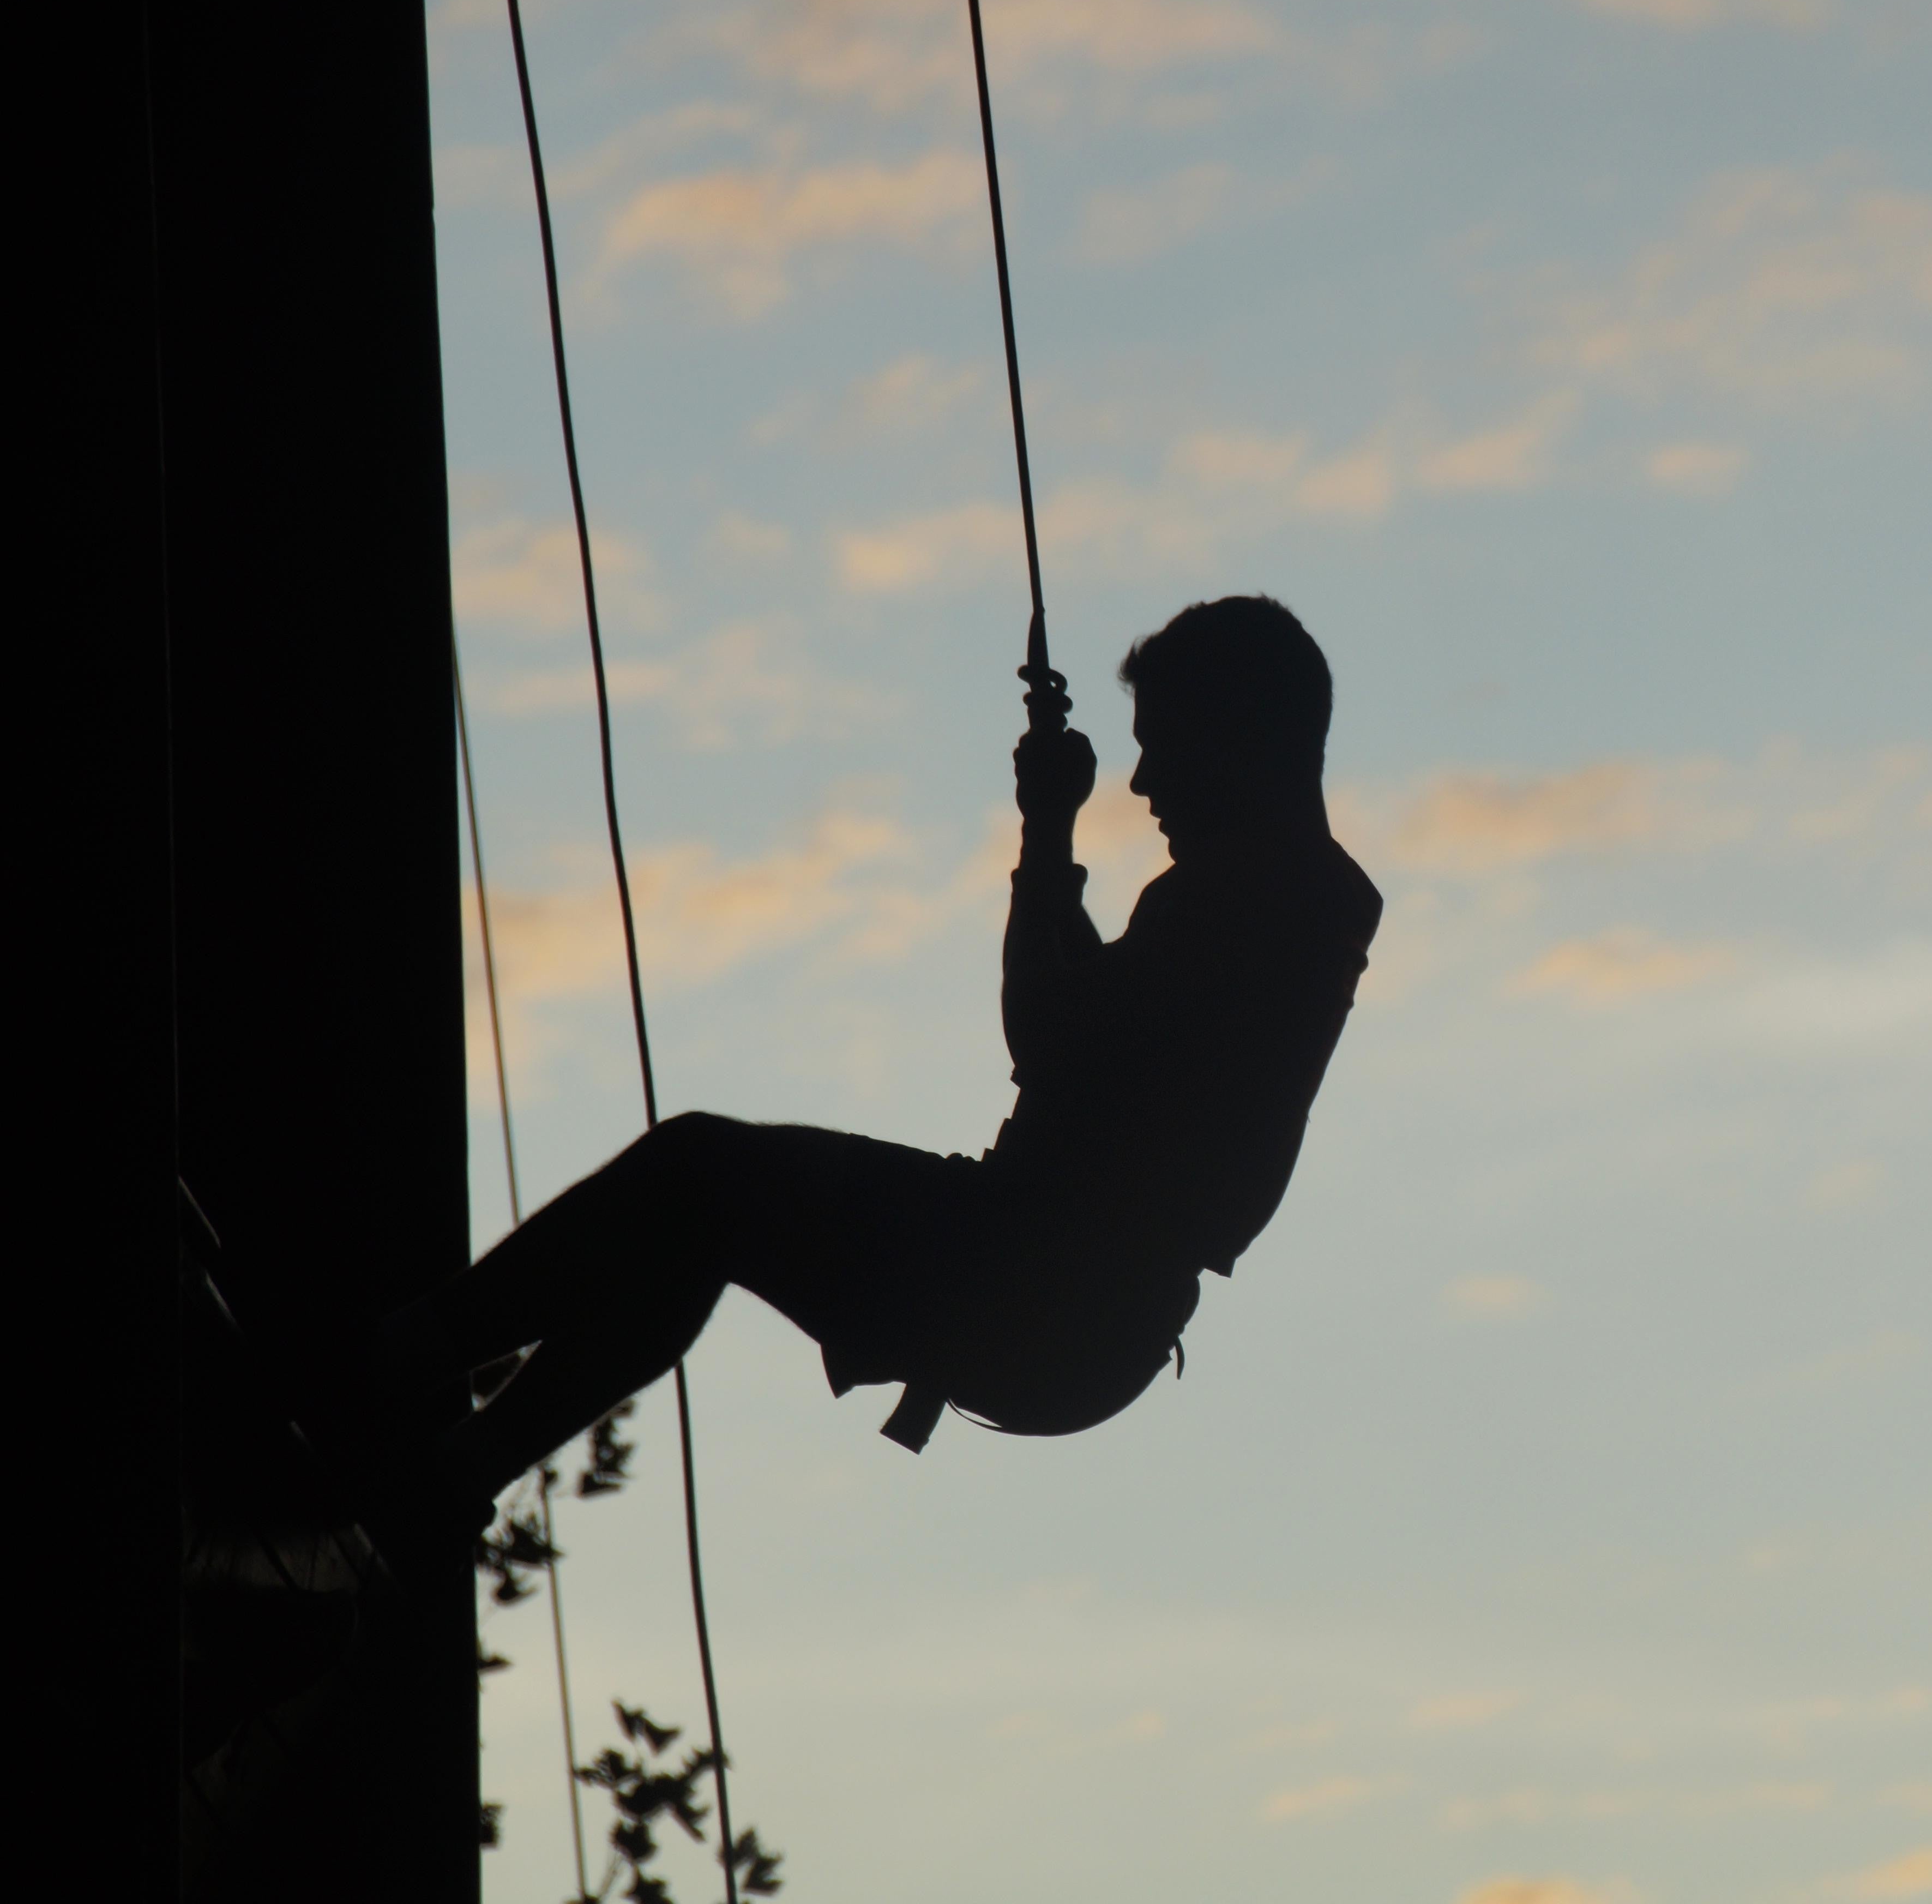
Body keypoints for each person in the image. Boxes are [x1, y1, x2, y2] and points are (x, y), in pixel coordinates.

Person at [344, 596, 1381, 1535]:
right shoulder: (1291, 903)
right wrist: (1051, 840)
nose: (1148, 781)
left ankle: (396, 1367)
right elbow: (1088, 1024)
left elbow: (1045, 1031)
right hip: (1078, 1306)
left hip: (1035, 1275)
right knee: (702, 1221)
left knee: (698, 1171)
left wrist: (1048, 826)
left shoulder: (1238, 899)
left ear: (1240, 739)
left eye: (1170, 749)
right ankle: (450, 1464)